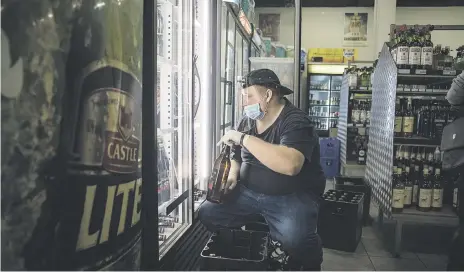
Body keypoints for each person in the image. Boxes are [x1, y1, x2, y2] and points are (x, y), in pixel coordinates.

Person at [199, 69, 326, 271]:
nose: (244, 103)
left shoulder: (296, 121)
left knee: (296, 241)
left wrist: (243, 138)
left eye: (248, 96)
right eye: (243, 97)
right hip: (248, 192)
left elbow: (291, 165)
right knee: (208, 213)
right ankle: (250, 247)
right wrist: (233, 175)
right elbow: (237, 157)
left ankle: (311, 254)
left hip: (290, 196)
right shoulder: (247, 121)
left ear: (267, 95)